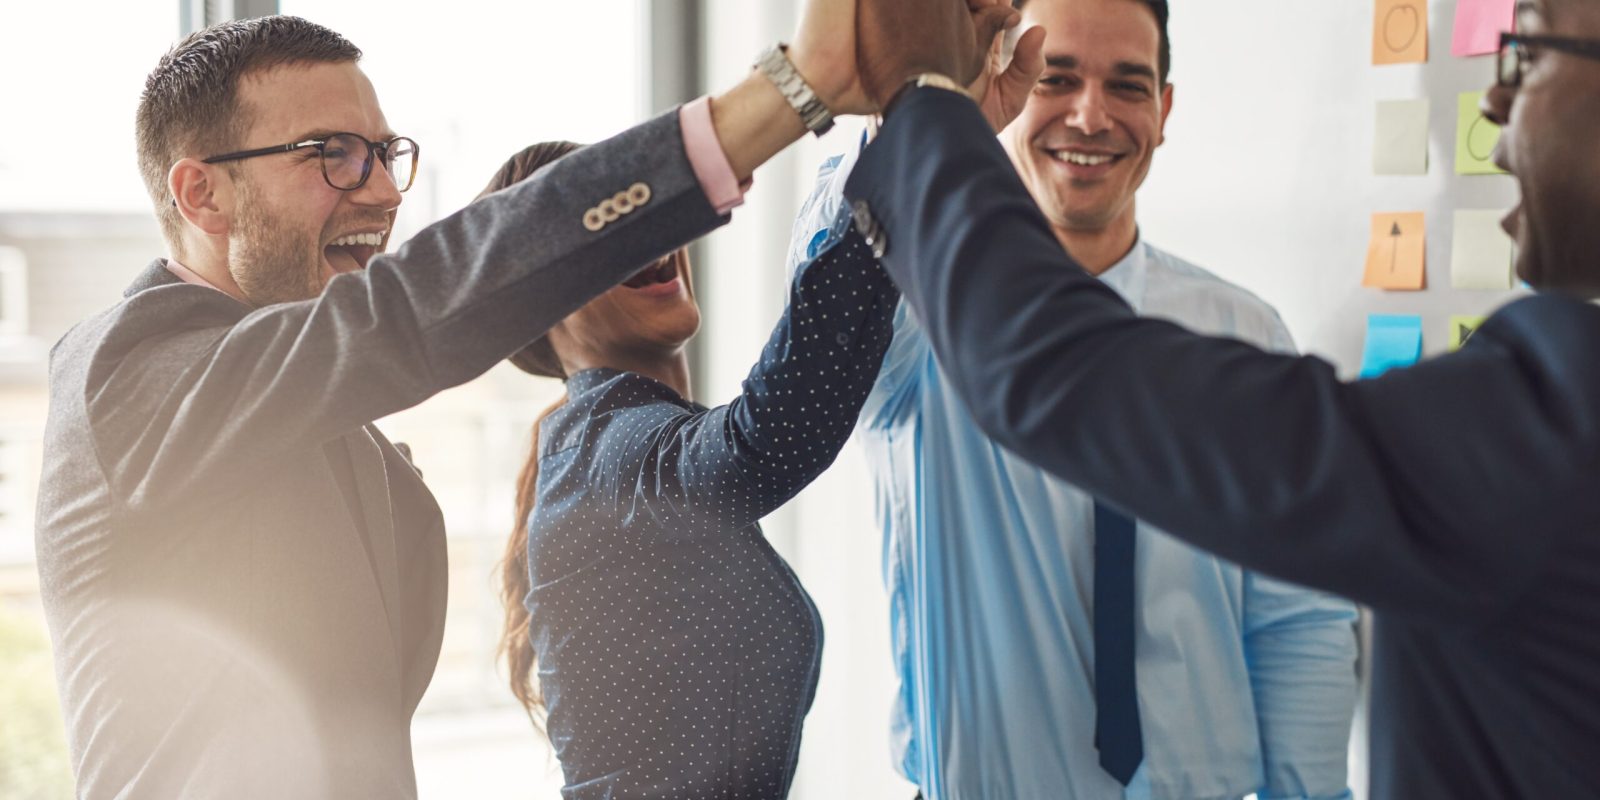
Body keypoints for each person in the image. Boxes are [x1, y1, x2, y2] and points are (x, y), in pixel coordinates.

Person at [32, 3, 960, 794]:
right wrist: (792, 91)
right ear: (201, 194)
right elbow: (404, 315)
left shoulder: (342, 441)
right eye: (335, 157)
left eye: (386, 154)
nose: (386, 192)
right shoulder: (125, 374)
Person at [843, 0, 1600, 796]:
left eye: (1530, 55)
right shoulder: (905, 329)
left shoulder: (1558, 416)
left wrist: (924, 102)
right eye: (1057, 76)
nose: (1493, 101)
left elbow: (1059, 372)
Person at [790, 3, 1358, 798]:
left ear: (1163, 110)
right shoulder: (916, 319)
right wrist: (924, 119)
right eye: (1056, 79)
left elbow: (1297, 614)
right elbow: (822, 287)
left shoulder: (1243, 334)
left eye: (1127, 86)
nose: (1090, 116)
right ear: (1005, 86)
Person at [481, 141, 894, 798]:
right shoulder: (601, 452)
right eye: (595, 226)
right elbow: (769, 438)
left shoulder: (606, 447)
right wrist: (892, 165)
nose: (638, 233)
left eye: (640, 206)